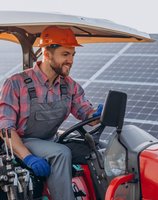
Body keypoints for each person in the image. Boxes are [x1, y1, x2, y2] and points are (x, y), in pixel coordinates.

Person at [0, 26, 103, 200]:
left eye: (72, 55)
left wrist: (96, 115)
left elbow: (86, 114)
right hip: (21, 141)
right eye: (65, 54)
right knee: (61, 153)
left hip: (50, 140)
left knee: (95, 151)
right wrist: (28, 158)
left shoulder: (69, 86)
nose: (70, 60)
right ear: (46, 54)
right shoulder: (16, 84)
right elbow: (5, 129)